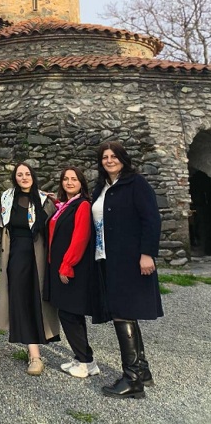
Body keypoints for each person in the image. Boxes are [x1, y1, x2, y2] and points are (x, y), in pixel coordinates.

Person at [92, 141, 163, 399]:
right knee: (125, 312)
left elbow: (151, 219)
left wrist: (147, 254)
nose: (109, 160)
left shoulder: (136, 184)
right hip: (107, 258)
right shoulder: (102, 187)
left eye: (114, 156)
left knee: (123, 312)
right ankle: (142, 371)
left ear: (123, 159)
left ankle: (132, 379)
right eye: (105, 157)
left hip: (129, 259)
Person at [0, 162, 59, 375]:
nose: (24, 177)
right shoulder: (7, 199)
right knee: (21, 301)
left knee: (37, 302)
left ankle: (39, 352)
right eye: (19, 174)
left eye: (27, 174)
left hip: (38, 258)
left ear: (33, 176)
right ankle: (34, 355)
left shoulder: (44, 201)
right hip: (16, 257)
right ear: (15, 178)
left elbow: (56, 225)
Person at [46, 166, 99, 378]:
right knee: (71, 314)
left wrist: (67, 264)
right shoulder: (67, 205)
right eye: (66, 179)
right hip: (60, 266)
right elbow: (62, 217)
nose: (69, 182)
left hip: (71, 269)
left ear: (81, 183)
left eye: (74, 179)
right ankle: (84, 359)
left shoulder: (83, 205)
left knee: (69, 314)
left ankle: (85, 361)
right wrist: (55, 202)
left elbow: (80, 237)